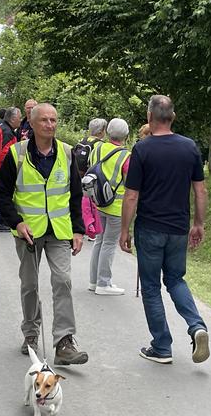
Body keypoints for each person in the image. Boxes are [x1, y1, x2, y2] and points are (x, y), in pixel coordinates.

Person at [0, 103, 88, 366]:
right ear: (32, 124)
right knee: (30, 285)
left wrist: (78, 230)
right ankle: (31, 334)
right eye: (44, 120)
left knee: (63, 280)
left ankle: (64, 342)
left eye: (54, 120)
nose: (50, 125)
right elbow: (2, 194)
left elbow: (76, 195)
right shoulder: (17, 154)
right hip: (29, 233)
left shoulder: (68, 154)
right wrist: (17, 222)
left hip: (59, 231)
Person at [119, 95, 210, 365]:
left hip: (150, 228)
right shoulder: (189, 147)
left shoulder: (143, 149)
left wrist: (125, 230)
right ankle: (196, 326)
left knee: (150, 286)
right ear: (173, 116)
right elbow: (200, 190)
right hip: (178, 227)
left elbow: (132, 195)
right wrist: (199, 223)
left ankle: (161, 346)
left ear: (150, 117)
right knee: (175, 280)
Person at [88, 118, 130, 296]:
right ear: (126, 136)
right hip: (116, 206)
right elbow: (130, 185)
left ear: (107, 132)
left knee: (99, 241)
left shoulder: (97, 148)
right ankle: (104, 283)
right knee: (109, 244)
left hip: (98, 202)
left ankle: (93, 281)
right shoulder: (126, 156)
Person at [0, 106, 20, 232]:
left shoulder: (0, 127)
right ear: (12, 119)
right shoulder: (8, 132)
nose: (20, 120)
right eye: (18, 117)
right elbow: (6, 153)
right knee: (2, 197)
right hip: (2, 171)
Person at [76, 118, 107, 243]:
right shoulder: (100, 145)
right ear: (101, 132)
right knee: (91, 205)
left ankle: (80, 227)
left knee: (81, 203)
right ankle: (91, 230)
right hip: (91, 179)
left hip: (79, 176)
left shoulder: (83, 141)